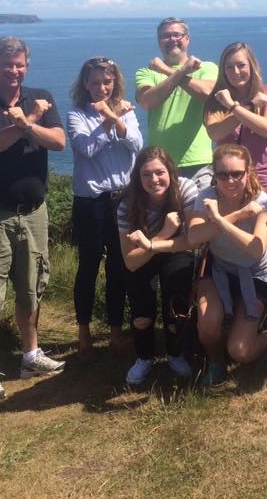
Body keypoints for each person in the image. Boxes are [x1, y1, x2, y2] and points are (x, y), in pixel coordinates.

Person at [0, 36, 66, 399]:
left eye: (20, 64)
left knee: (32, 285)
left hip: (34, 212)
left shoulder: (42, 95)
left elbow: (58, 141)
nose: (14, 71)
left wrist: (30, 121)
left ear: (27, 65)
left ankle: (30, 354)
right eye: (8, 65)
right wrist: (30, 119)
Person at [148, 144, 267, 387]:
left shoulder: (263, 201)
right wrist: (237, 216)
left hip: (255, 273)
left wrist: (219, 220)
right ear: (214, 174)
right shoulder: (206, 196)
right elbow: (195, 238)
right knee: (207, 324)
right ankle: (216, 362)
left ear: (248, 172)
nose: (230, 180)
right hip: (218, 268)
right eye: (222, 174)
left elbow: (256, 248)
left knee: (240, 350)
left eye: (236, 174)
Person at [204, 41, 267, 337]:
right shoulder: (214, 101)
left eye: (241, 65)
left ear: (252, 66)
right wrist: (245, 108)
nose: (236, 71)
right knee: (229, 258)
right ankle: (238, 325)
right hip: (229, 187)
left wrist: (233, 107)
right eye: (230, 66)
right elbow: (215, 131)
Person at [67, 57, 142, 353]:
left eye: (107, 82)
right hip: (91, 202)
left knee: (119, 267)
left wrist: (116, 119)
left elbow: (136, 144)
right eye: (95, 82)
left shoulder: (127, 110)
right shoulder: (77, 114)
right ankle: (83, 331)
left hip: (123, 199)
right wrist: (106, 120)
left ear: (115, 83)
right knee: (88, 265)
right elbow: (85, 149)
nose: (101, 88)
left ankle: (114, 331)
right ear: (85, 84)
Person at [117, 146, 197, 386]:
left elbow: (192, 240)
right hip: (150, 250)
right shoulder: (126, 205)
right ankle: (144, 357)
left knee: (176, 305)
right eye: (146, 175)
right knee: (142, 313)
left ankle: (174, 353)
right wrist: (163, 234)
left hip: (177, 250)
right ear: (137, 178)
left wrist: (151, 244)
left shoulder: (185, 190)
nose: (154, 180)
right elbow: (130, 262)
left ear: (171, 172)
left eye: (160, 172)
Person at [135, 18, 218, 189]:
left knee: (200, 214)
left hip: (198, 161)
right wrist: (184, 71)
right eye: (166, 36)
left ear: (187, 39)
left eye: (177, 35)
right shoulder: (147, 72)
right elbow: (148, 101)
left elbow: (207, 93)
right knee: (166, 216)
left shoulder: (207, 68)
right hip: (160, 164)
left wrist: (168, 71)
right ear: (159, 41)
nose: (172, 39)